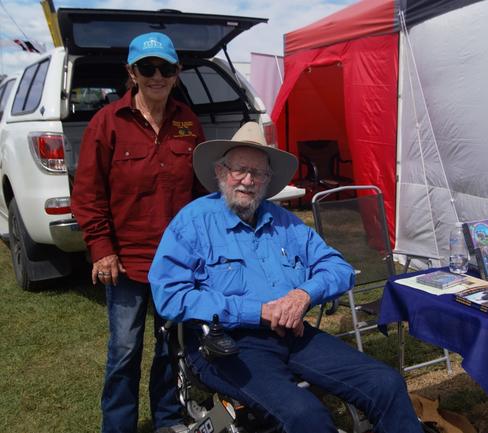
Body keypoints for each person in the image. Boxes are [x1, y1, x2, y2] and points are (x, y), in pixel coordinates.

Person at [148, 122, 424, 433]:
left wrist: (303, 295)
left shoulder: (284, 222)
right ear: (221, 172)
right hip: (228, 343)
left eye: (258, 173)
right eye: (240, 169)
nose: (248, 180)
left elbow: (339, 268)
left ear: (268, 180)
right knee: (304, 415)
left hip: (292, 333)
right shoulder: (193, 222)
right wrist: (257, 311)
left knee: (386, 383)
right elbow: (170, 295)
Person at [71, 32, 205, 433]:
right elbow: (88, 193)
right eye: (147, 68)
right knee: (125, 350)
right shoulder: (106, 122)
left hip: (177, 262)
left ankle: (167, 420)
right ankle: (118, 426)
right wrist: (101, 249)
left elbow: (199, 191)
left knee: (173, 346)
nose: (157, 76)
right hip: (127, 262)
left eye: (165, 68)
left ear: (177, 73)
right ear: (132, 73)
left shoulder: (187, 122)